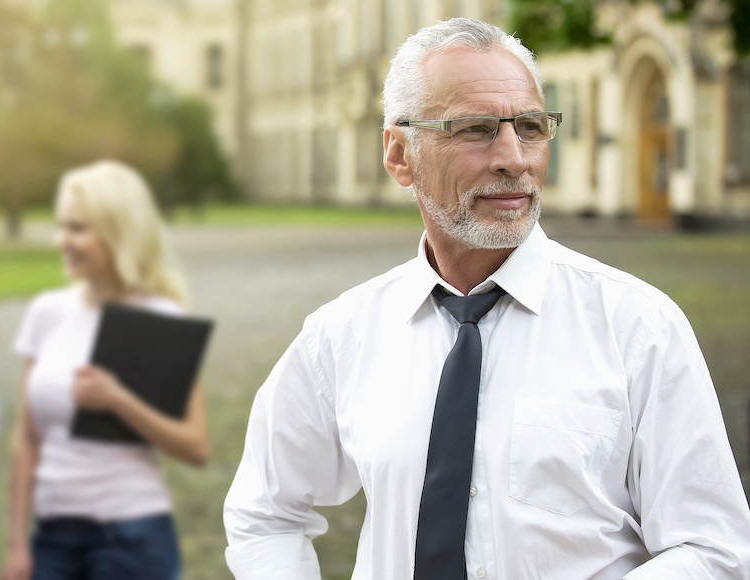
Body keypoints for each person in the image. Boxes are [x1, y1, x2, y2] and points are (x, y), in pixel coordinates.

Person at [223, 17, 750, 580]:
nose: (513, 158)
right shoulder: (340, 335)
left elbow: (713, 548)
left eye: (529, 126)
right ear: (400, 154)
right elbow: (265, 513)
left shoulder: (638, 327)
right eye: (475, 129)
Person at [0, 160, 210, 580]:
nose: (62, 240)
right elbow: (26, 439)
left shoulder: (161, 318)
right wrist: (17, 544)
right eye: (62, 226)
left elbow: (196, 447)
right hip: (53, 536)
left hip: (133, 537)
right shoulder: (47, 312)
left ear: (119, 232)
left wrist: (118, 400)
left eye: (78, 228)